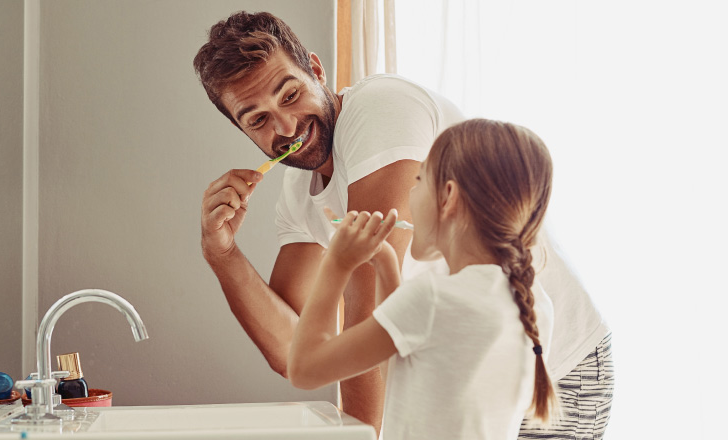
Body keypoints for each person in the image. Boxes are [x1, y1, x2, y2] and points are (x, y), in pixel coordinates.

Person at [194, 11, 613, 439]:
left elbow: (354, 321)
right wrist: (222, 253)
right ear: (241, 128)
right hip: (472, 389)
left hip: (557, 376)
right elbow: (293, 349)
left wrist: (343, 266)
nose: (286, 127)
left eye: (289, 95)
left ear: (317, 71)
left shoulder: (379, 110)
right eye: (258, 119)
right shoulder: (299, 192)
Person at [288, 118, 556, 440]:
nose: (411, 194)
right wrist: (386, 263)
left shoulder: (432, 298)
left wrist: (336, 263)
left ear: (448, 196)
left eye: (419, 179)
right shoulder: (535, 303)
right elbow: (406, 374)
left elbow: (305, 369)